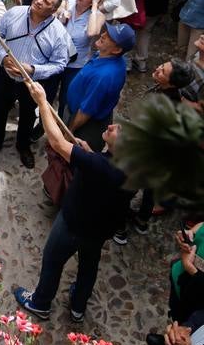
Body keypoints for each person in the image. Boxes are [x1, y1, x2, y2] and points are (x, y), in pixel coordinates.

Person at [14, 83, 133, 322]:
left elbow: (58, 143)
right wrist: (89, 154)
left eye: (115, 130)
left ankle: (41, 302)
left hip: (74, 223)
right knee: (88, 266)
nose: (110, 125)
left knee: (52, 259)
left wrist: (42, 102)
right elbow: (100, 171)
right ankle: (78, 306)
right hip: (100, 229)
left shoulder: (100, 166)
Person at [0, 0, 69, 169]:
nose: (38, 1)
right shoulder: (14, 13)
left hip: (31, 83)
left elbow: (60, 64)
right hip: (5, 75)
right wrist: (3, 58)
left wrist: (33, 69)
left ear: (53, 10)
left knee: (28, 115)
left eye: (46, 2)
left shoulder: (59, 33)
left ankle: (23, 146)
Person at [113, 57, 196, 244]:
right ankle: (142, 221)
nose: (158, 69)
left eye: (163, 71)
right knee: (150, 191)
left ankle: (119, 231)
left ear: (171, 82)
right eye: (162, 65)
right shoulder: (173, 95)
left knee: (125, 191)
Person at [65, 22, 135, 150]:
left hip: (85, 124)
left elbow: (85, 112)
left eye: (110, 37)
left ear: (117, 50)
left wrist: (69, 132)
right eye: (106, 32)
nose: (103, 35)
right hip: (81, 112)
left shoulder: (104, 77)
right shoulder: (105, 54)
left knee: (72, 162)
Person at [147, 225, 204, 345]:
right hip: (183, 279)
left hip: (199, 297)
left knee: (190, 329)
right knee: (178, 313)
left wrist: (191, 269)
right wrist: (191, 233)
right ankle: (172, 343)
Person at [56, 0, 102, 118]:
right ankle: (42, 123)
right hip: (56, 58)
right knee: (47, 93)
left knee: (66, 97)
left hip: (75, 64)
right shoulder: (66, 4)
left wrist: (94, 7)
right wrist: (60, 15)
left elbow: (92, 32)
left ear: (92, 1)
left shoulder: (97, 15)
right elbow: (51, 18)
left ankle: (62, 126)